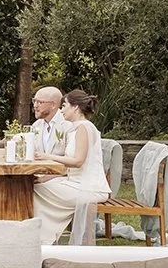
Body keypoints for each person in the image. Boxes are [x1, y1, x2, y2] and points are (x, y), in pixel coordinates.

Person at [32, 90, 110, 244]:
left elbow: (78, 161)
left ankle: (42, 237)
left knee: (35, 191)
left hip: (89, 187)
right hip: (73, 181)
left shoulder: (84, 127)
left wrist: (47, 156)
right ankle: (43, 236)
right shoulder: (76, 127)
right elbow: (71, 167)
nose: (61, 110)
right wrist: (47, 177)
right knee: (35, 185)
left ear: (75, 107)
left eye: (64, 106)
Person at [30, 86, 67, 157]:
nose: (35, 106)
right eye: (34, 101)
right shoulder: (36, 125)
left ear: (53, 105)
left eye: (40, 102)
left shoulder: (67, 124)